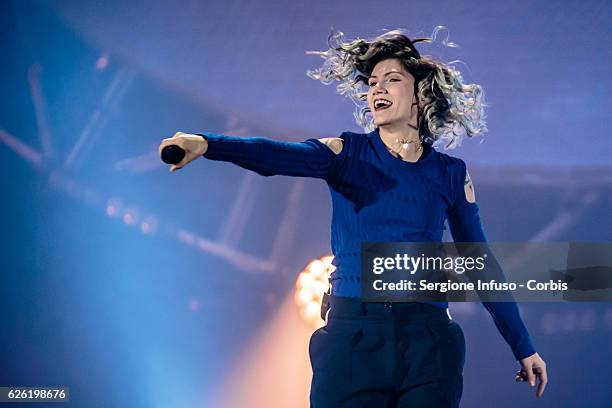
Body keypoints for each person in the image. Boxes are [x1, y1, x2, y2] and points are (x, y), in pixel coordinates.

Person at [158, 27, 548, 407]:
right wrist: (210, 144)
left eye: (391, 79)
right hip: (353, 338)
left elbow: (480, 264)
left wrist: (523, 345)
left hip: (429, 341)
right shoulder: (347, 154)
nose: (377, 88)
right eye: (373, 82)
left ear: (420, 95)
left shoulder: (450, 172)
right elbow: (276, 156)